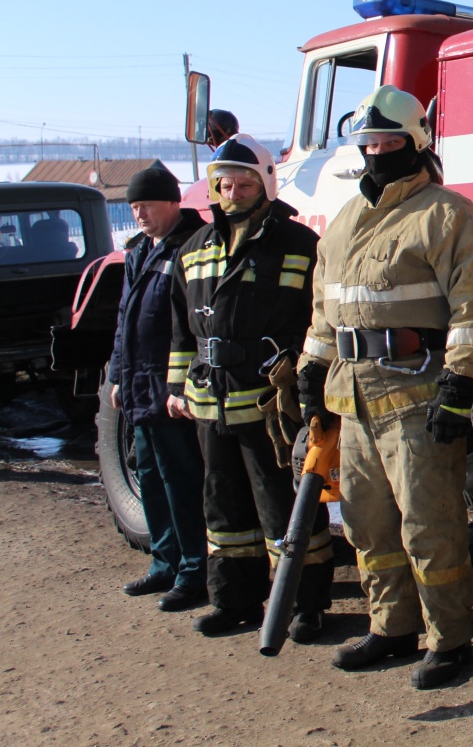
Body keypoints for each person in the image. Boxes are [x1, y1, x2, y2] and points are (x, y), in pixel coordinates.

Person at [298, 86, 473, 690]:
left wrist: (459, 384)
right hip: (353, 399)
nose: (376, 152)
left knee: (429, 527)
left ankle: (450, 639)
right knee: (368, 525)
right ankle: (391, 628)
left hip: (415, 397)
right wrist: (312, 369)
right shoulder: (345, 221)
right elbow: (325, 304)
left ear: (416, 145)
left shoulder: (446, 215)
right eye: (368, 143)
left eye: (388, 142)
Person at [165, 134, 334, 637]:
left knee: (284, 508)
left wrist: (310, 391)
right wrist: (177, 387)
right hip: (209, 404)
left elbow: (317, 320)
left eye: (244, 183)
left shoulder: (300, 245)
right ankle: (233, 600)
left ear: (265, 185)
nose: (234, 193)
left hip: (269, 406)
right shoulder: (193, 250)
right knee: (223, 509)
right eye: (225, 184)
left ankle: (306, 605)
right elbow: (180, 327)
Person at [109, 165, 208, 612]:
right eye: (133, 207)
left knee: (180, 478)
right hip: (138, 384)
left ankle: (193, 570)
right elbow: (125, 320)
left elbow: (193, 326)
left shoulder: (192, 246)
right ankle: (164, 562)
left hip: (169, 387)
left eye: (146, 204)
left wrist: (182, 385)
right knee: (149, 475)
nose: (139, 213)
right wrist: (116, 376)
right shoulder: (137, 252)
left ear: (173, 202)